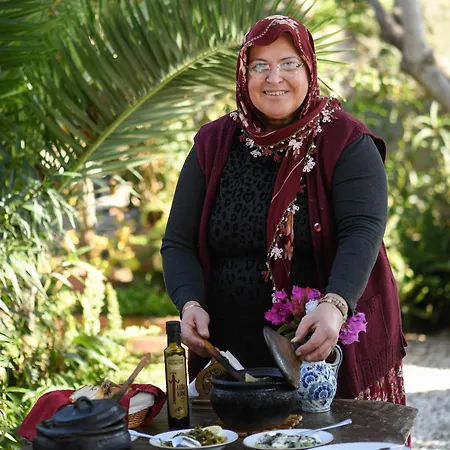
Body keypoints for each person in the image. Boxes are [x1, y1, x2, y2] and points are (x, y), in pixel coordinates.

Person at [161, 15, 407, 406]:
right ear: (244, 74)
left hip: (323, 348)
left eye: (289, 63)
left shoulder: (345, 140)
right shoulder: (213, 143)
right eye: (260, 65)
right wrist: (189, 302)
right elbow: (178, 242)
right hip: (231, 358)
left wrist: (336, 304)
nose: (274, 77)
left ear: (309, 68)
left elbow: (362, 231)